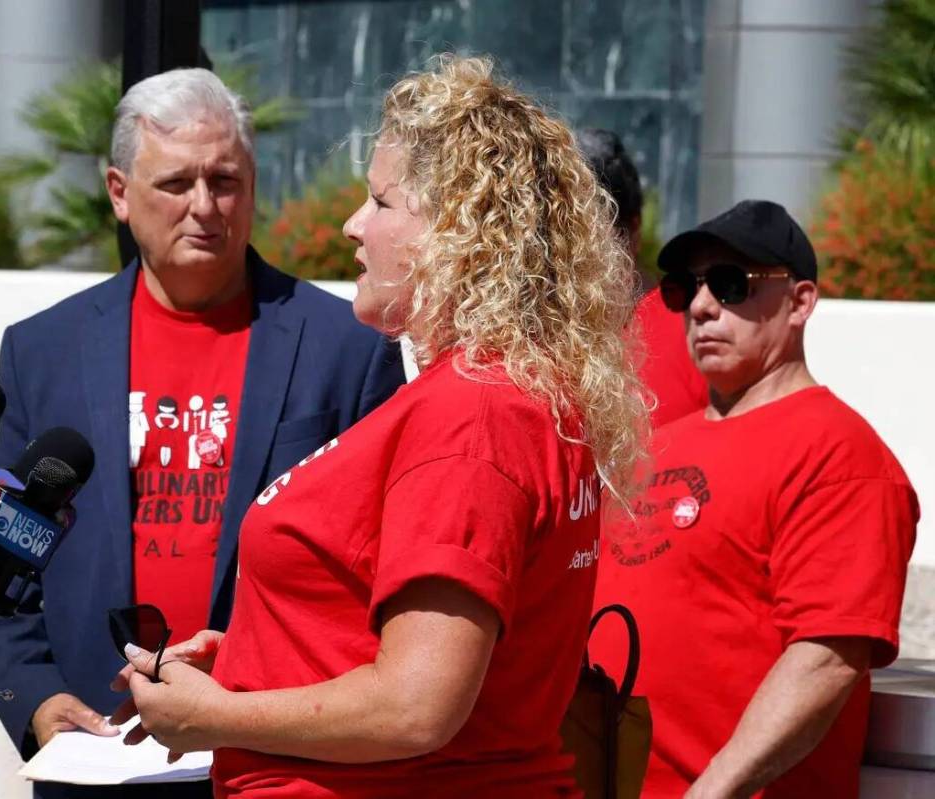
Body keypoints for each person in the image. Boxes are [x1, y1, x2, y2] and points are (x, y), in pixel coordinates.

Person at [109, 55, 649, 797]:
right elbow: (428, 644)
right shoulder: (505, 393)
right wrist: (261, 653)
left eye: (381, 201)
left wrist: (220, 714)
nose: (352, 225)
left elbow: (415, 706)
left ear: (457, 232)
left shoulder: (472, 414)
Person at [0, 68, 406, 798]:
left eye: (226, 180)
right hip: (97, 756)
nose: (205, 207)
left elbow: (378, 568)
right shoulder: (43, 352)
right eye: (176, 183)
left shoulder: (346, 349)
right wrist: (37, 700)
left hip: (271, 758)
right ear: (119, 192)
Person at [590, 200, 919, 798]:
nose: (700, 306)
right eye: (686, 287)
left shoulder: (840, 454)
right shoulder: (649, 447)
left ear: (800, 303)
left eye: (730, 283)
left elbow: (825, 656)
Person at [577, 128, 707, 426]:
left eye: (589, 235)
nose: (571, 254)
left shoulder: (699, 328)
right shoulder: (531, 335)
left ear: (632, 232)